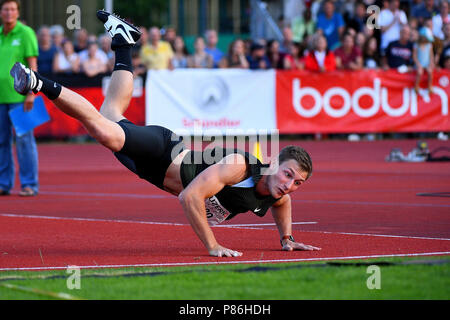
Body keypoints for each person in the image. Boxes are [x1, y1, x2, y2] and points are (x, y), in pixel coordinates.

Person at [10, 10, 320, 257]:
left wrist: (287, 238)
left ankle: (123, 43)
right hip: (165, 151)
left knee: (110, 115)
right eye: (288, 175)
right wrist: (213, 246)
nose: (289, 185)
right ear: (272, 163)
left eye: (297, 183)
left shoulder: (276, 192)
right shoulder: (240, 166)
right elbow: (189, 197)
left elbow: (281, 204)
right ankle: (38, 82)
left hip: (152, 172)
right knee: (105, 132)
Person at [0, 0, 39, 196]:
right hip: (0, 97)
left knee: (24, 140)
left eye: (13, 9)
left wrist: (32, 93)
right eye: (6, 9)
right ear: (0, 12)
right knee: (1, 141)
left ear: (18, 12)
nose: (9, 13)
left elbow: (33, 65)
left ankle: (29, 183)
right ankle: (3, 183)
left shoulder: (26, 33)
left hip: (21, 96)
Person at [413, 26, 435, 94]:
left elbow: (431, 56)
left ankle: (430, 86)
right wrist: (418, 64)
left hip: (427, 64)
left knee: (430, 72)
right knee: (419, 72)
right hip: (419, 64)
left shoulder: (429, 45)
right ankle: (416, 86)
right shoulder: (416, 45)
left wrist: (431, 63)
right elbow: (414, 56)